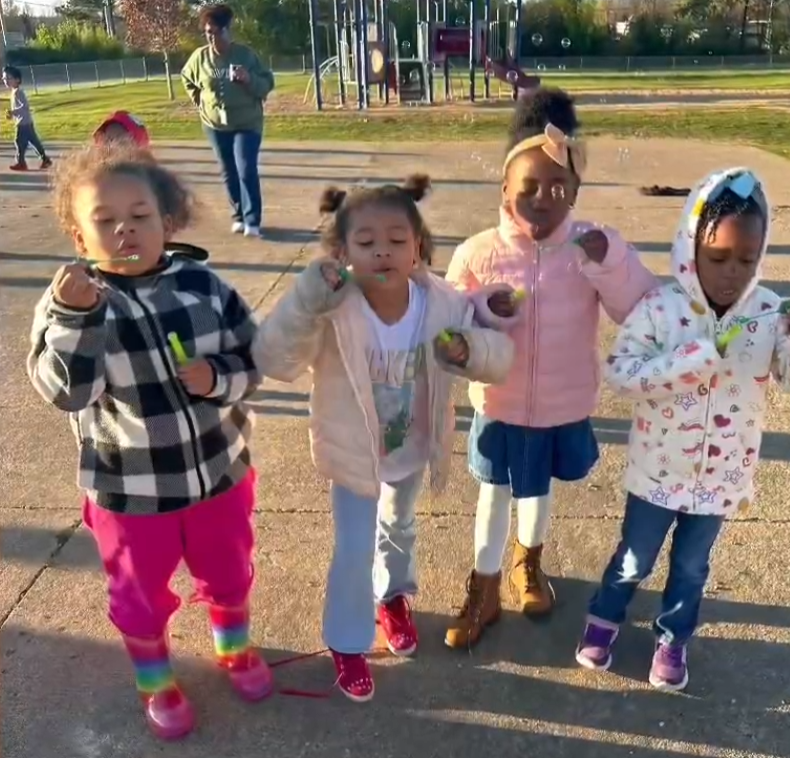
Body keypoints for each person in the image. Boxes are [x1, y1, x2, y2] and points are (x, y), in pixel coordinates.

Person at [26, 141, 271, 740]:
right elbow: (65, 392)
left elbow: (254, 358)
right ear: (79, 239)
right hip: (130, 490)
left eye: (139, 216)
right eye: (104, 222)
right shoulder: (71, 306)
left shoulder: (202, 286)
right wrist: (76, 319)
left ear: (168, 219)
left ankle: (232, 646)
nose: (124, 231)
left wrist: (219, 378)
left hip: (219, 474)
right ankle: (155, 679)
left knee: (230, 571)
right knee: (138, 594)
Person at [575, 167, 790, 691]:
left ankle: (673, 638)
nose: (731, 273)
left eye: (746, 259)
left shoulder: (766, 313)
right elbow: (623, 374)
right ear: (691, 247)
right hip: (658, 471)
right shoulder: (661, 308)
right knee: (634, 558)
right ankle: (603, 618)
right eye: (718, 257)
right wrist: (696, 357)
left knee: (692, 569)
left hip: (721, 478)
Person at [252, 176, 515, 702]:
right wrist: (305, 299)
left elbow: (495, 355)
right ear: (341, 251)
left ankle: (392, 596)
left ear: (418, 245)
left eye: (397, 240)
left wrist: (470, 349)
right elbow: (274, 359)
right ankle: (348, 642)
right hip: (354, 454)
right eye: (366, 242)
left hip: (412, 447)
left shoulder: (439, 302)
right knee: (353, 547)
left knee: (399, 526)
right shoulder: (333, 307)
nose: (383, 252)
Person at [443, 88, 657, 649]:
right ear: (504, 191)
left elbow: (639, 307)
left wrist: (609, 261)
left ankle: (527, 565)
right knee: (493, 492)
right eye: (529, 187)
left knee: (537, 493)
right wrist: (486, 307)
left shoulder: (591, 249)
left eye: (558, 188)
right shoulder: (478, 251)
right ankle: (484, 585)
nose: (543, 198)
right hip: (501, 403)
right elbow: (449, 322)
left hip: (562, 404)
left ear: (576, 194)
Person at [180, 4, 274, 238]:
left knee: (245, 169)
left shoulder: (245, 55)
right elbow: (186, 78)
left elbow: (267, 84)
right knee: (228, 171)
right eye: (208, 33)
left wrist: (248, 79)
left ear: (228, 31)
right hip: (215, 124)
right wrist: (199, 99)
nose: (212, 38)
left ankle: (252, 220)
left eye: (217, 32)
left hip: (247, 123)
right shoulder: (200, 58)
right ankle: (239, 215)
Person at [3, 65, 51, 171]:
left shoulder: (18, 92)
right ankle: (45, 159)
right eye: (4, 78)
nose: (5, 81)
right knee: (33, 141)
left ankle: (21, 163)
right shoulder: (15, 92)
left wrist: (13, 112)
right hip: (26, 122)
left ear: (17, 80)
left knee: (19, 142)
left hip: (23, 123)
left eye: (8, 78)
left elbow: (24, 106)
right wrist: (13, 114)